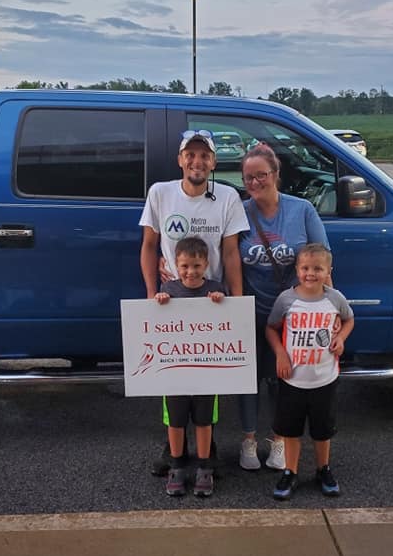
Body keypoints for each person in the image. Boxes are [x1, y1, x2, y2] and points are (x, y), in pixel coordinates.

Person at [140, 129, 249, 475]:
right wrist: (150, 294)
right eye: (190, 154)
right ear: (180, 159)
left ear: (213, 162)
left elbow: (230, 253)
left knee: (207, 381)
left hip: (211, 301)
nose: (197, 161)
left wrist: (237, 302)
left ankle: (206, 448)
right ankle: (173, 448)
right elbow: (149, 246)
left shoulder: (228, 197)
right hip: (172, 300)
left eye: (204, 156)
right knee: (172, 379)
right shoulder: (160, 193)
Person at [237, 143, 329, 471]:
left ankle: (278, 440)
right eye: (248, 177)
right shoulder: (239, 212)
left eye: (261, 175)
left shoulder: (301, 210)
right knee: (247, 378)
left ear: (276, 174)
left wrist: (328, 310)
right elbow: (224, 258)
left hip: (293, 313)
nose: (255, 183)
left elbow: (322, 260)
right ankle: (248, 440)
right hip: (251, 308)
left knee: (283, 378)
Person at [265, 243, 354, 499]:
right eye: (305, 268)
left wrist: (341, 338)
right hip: (292, 380)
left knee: (322, 431)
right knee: (290, 431)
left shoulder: (335, 298)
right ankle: (290, 472)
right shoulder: (286, 299)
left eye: (317, 268)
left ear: (328, 271)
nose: (310, 274)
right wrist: (280, 353)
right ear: (297, 270)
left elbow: (349, 319)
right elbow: (271, 328)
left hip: (324, 379)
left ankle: (323, 469)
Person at [154, 237, 227, 497]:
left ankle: (205, 467)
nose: (190, 271)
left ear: (206, 264)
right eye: (184, 266)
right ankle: (176, 466)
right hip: (175, 372)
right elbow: (157, 322)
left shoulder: (216, 288)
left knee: (204, 421)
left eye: (196, 265)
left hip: (207, 372)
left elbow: (228, 322)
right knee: (175, 421)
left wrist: (221, 300)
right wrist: (160, 299)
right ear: (176, 265)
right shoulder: (169, 288)